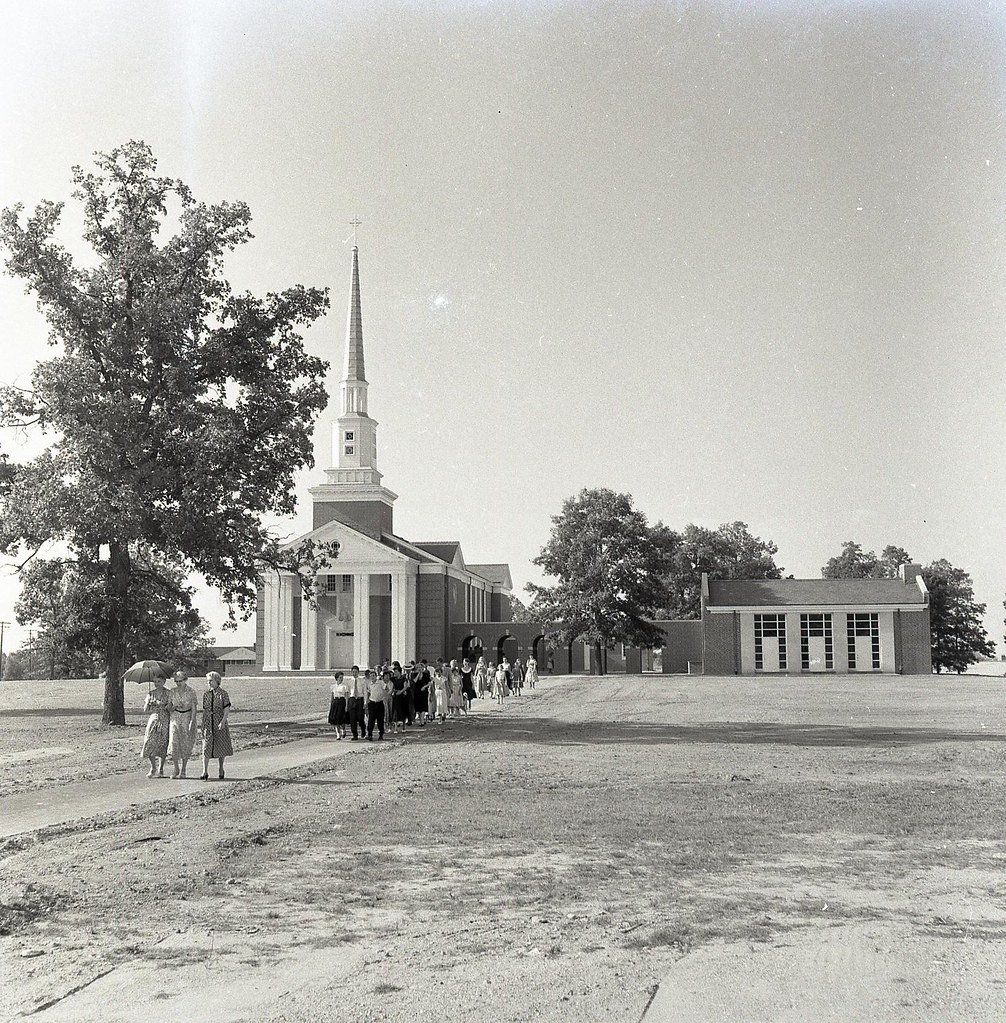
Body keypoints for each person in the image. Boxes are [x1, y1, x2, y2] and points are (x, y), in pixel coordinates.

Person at [200, 671, 233, 780]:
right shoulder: (206, 694)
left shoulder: (223, 694)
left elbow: (226, 709)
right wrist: (203, 723)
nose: (209, 683)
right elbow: (205, 709)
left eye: (211, 681)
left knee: (220, 744)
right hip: (208, 722)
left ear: (217, 681)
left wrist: (223, 721)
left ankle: (221, 768)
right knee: (206, 745)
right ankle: (204, 771)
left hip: (219, 721)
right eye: (208, 681)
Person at [167, 670, 198, 778]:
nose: (178, 683)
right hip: (175, 718)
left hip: (186, 717)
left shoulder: (191, 691)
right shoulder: (172, 691)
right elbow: (169, 707)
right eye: (176, 681)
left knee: (185, 743)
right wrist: (174, 706)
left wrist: (192, 721)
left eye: (180, 681)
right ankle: (176, 768)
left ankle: (184, 769)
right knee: (173, 742)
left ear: (185, 680)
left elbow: (194, 708)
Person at [141, 674, 171, 778]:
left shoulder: (168, 693)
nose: (157, 684)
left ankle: (161, 768)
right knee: (149, 741)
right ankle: (153, 767)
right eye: (155, 682)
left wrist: (164, 705)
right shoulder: (151, 693)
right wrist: (149, 703)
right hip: (154, 719)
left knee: (163, 743)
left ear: (164, 682)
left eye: (159, 681)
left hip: (164, 719)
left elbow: (171, 708)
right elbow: (145, 710)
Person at [346, 665, 367, 741]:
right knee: (353, 719)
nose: (354, 673)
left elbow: (365, 692)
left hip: (360, 700)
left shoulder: (362, 681)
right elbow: (347, 693)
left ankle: (363, 729)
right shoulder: (349, 681)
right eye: (353, 672)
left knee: (360, 717)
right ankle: (355, 734)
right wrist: (347, 703)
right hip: (352, 700)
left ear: (358, 672)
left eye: (356, 672)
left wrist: (365, 702)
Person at [367, 669, 389, 740]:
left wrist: (384, 696)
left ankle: (381, 734)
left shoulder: (381, 682)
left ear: (376, 676)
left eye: (373, 675)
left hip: (379, 703)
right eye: (371, 676)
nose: (372, 677)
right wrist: (367, 701)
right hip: (372, 703)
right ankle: (370, 734)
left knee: (380, 720)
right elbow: (368, 692)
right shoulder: (369, 684)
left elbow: (387, 689)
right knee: (371, 719)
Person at [329, 671, 349, 739]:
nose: (341, 679)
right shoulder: (333, 686)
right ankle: (338, 734)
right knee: (336, 719)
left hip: (342, 702)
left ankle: (343, 730)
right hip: (335, 702)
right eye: (340, 677)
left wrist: (346, 705)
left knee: (341, 718)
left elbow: (346, 697)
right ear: (337, 678)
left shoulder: (344, 686)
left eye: (342, 677)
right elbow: (332, 696)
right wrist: (331, 704)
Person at [391, 665, 409, 734]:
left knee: (403, 710)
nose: (394, 673)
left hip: (402, 697)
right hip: (395, 696)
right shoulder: (393, 679)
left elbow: (405, 687)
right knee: (395, 711)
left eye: (396, 671)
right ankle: (396, 727)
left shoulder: (404, 679)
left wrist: (400, 692)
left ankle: (404, 726)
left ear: (399, 672)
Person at [413, 661, 430, 725]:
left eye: (420, 667)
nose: (419, 668)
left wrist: (424, 687)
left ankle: (422, 721)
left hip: (424, 692)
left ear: (423, 668)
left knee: (423, 707)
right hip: (417, 692)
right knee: (418, 707)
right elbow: (414, 681)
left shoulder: (426, 675)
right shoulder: (414, 674)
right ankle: (421, 720)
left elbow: (429, 683)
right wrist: (418, 674)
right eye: (418, 667)